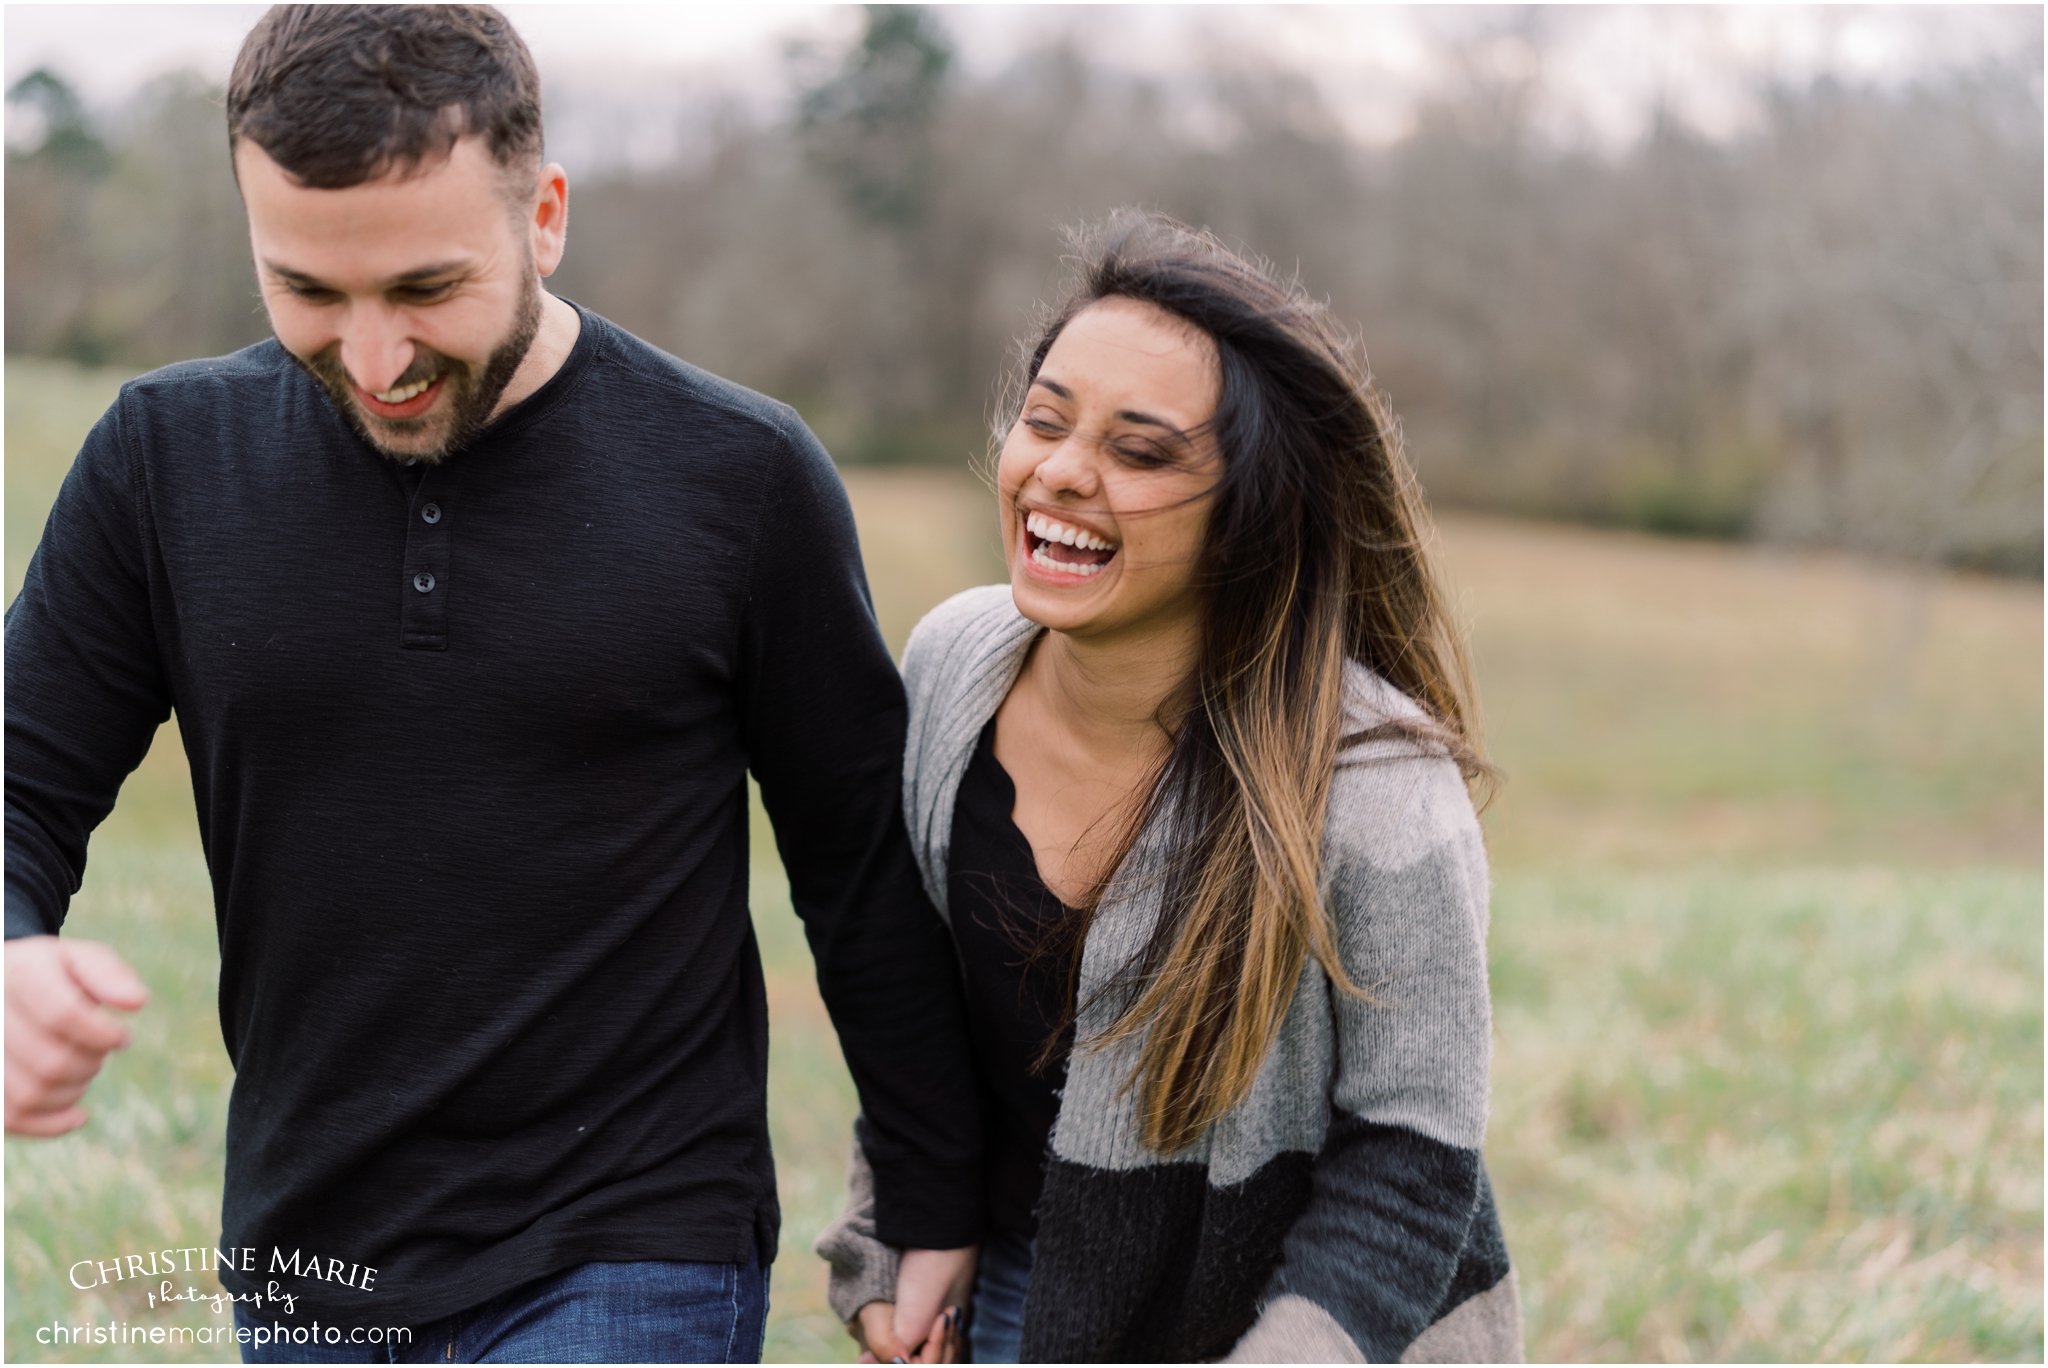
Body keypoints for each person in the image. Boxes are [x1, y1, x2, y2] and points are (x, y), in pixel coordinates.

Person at [3, 6, 984, 1362]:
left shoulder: (740, 480)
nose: (373, 360)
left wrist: (932, 1197)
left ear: (547, 217)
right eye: (306, 291)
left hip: (636, 1238)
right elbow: (18, 782)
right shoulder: (161, 465)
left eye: (423, 291)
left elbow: (863, 871)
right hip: (311, 1259)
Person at [815, 212, 1522, 1364]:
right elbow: (919, 1012)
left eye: (1139, 453)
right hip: (1018, 1304)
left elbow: (1411, 1160)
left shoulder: (1374, 783)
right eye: (1044, 421)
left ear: (1252, 508)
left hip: (1310, 1331)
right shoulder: (948, 665)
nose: (1059, 472)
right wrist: (900, 1228)